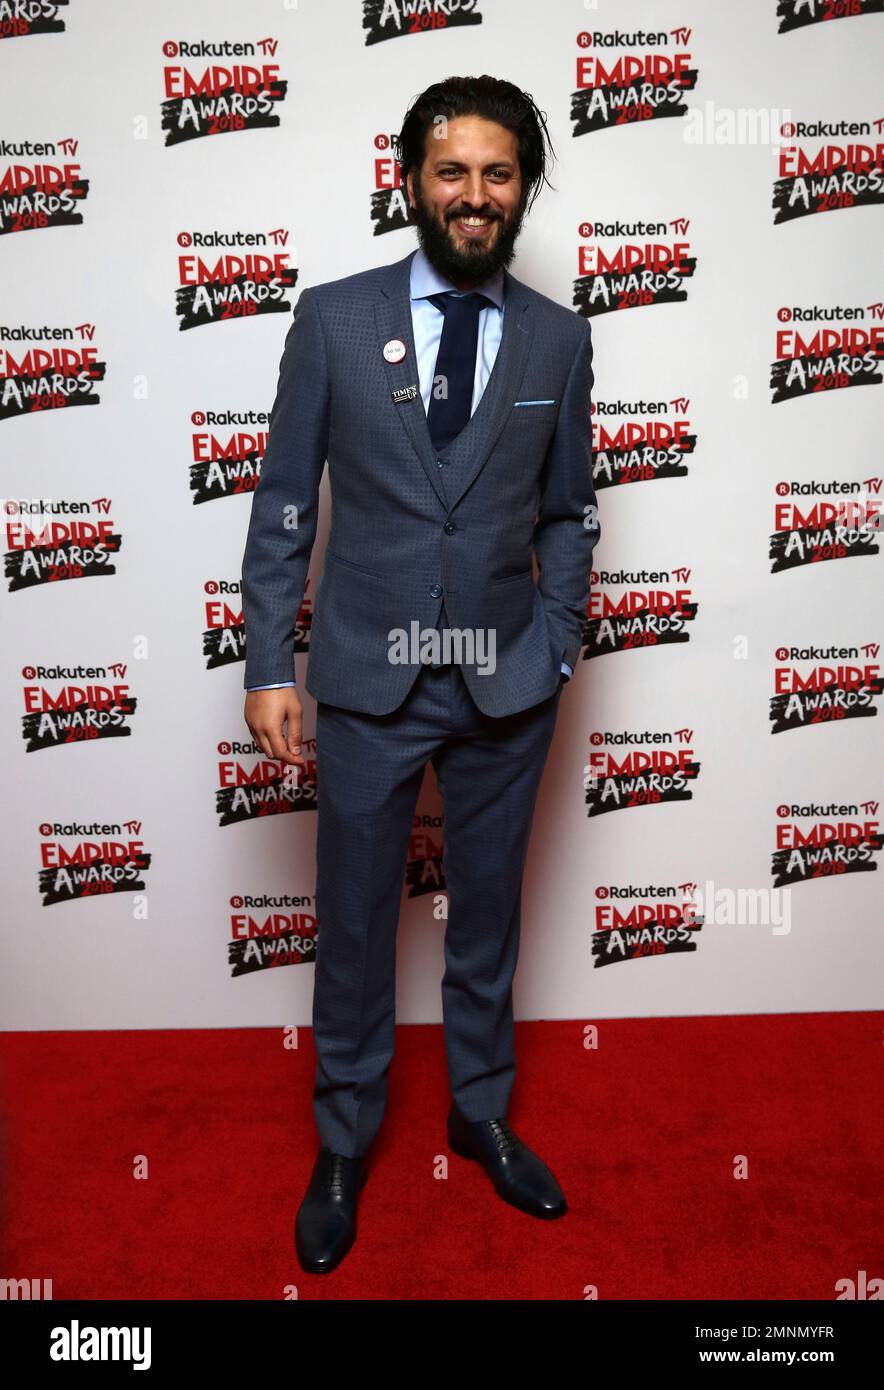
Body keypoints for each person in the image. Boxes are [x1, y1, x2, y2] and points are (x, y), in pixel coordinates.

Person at [241, 74, 600, 1274]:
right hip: (363, 677)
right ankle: (344, 1137)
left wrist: (554, 640)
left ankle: (479, 1111)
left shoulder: (558, 336)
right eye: (451, 171)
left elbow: (566, 513)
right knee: (350, 923)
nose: (474, 195)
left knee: (484, 919)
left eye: (498, 174)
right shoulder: (333, 319)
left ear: (522, 189)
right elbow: (286, 500)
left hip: (505, 682)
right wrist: (266, 661)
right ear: (409, 181)